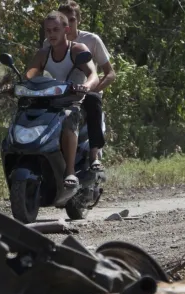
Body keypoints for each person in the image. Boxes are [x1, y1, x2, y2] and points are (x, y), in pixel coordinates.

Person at [24, 11, 99, 189]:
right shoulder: (43, 53)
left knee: (68, 118)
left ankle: (70, 171)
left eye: (56, 30)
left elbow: (93, 75)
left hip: (73, 101)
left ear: (66, 30)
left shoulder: (77, 50)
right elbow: (29, 75)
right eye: (48, 31)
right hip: (49, 101)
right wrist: (17, 85)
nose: (51, 34)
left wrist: (86, 86)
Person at [42, 1, 116, 171]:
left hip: (84, 91)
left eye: (72, 20)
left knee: (92, 100)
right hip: (58, 93)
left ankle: (94, 153)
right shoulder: (49, 42)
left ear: (78, 21)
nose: (68, 24)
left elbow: (110, 73)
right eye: (64, 20)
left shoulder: (91, 40)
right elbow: (38, 68)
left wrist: (93, 88)